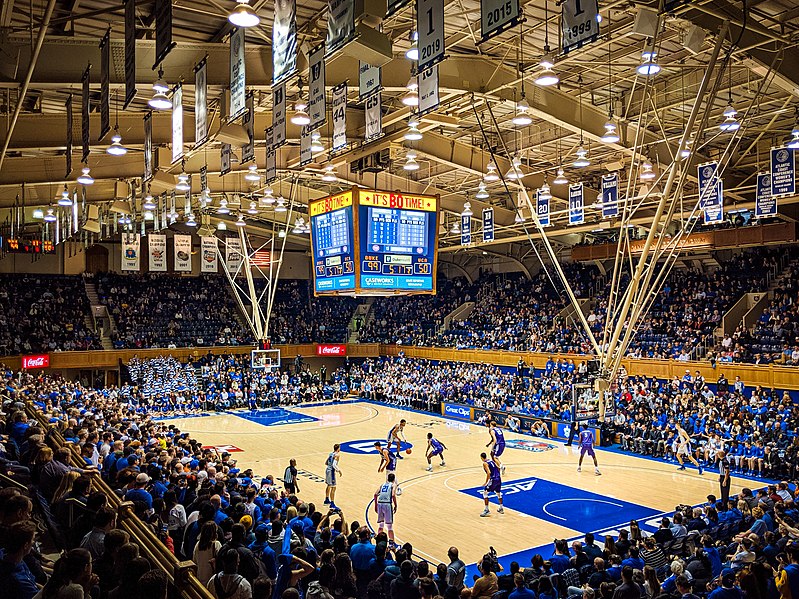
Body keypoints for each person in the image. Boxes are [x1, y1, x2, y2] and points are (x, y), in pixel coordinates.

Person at [0, 521, 38, 599]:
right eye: (32, 540)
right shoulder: (18, 580)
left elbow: (33, 581)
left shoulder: (14, 558)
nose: (34, 542)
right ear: (26, 545)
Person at [375, 473, 399, 548]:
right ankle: (391, 544)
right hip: (387, 504)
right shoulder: (393, 485)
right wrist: (395, 505)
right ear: (394, 479)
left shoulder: (382, 485)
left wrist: (376, 505)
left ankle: (378, 541)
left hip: (380, 504)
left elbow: (375, 494)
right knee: (389, 526)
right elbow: (392, 495)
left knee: (381, 525)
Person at [480, 452, 504, 517]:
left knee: (485, 493)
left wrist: (486, 482)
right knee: (498, 493)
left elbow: (489, 473)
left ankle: (486, 510)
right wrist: (497, 475)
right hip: (498, 478)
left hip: (493, 479)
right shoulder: (491, 461)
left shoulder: (485, 463)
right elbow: (498, 468)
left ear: (481, 458)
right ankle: (501, 508)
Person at [324, 444, 342, 509]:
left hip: (327, 470)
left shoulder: (330, 454)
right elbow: (334, 465)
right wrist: (339, 470)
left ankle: (326, 500)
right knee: (333, 487)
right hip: (331, 471)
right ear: (338, 449)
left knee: (329, 485)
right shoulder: (337, 455)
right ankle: (332, 503)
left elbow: (326, 462)